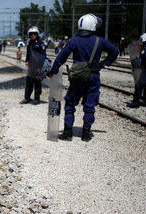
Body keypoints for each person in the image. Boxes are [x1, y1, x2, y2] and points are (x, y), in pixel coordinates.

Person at [48, 14, 119, 142]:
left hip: (77, 78)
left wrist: (53, 70)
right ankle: (86, 133)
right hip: (93, 76)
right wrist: (104, 63)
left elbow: (61, 57)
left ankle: (67, 132)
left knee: (70, 103)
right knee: (89, 104)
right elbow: (115, 51)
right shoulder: (100, 41)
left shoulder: (74, 40)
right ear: (93, 25)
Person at [128, 33, 146, 108]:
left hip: (144, 68)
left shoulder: (145, 48)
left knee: (139, 85)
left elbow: (142, 58)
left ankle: (136, 102)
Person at [20, 26, 46, 105]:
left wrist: (39, 67)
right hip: (31, 66)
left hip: (38, 66)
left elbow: (43, 56)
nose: (33, 35)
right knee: (29, 82)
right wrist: (27, 61)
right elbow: (28, 54)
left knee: (37, 83)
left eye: (34, 34)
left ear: (37, 34)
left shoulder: (41, 44)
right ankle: (27, 98)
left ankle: (37, 99)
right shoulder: (29, 44)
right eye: (31, 34)